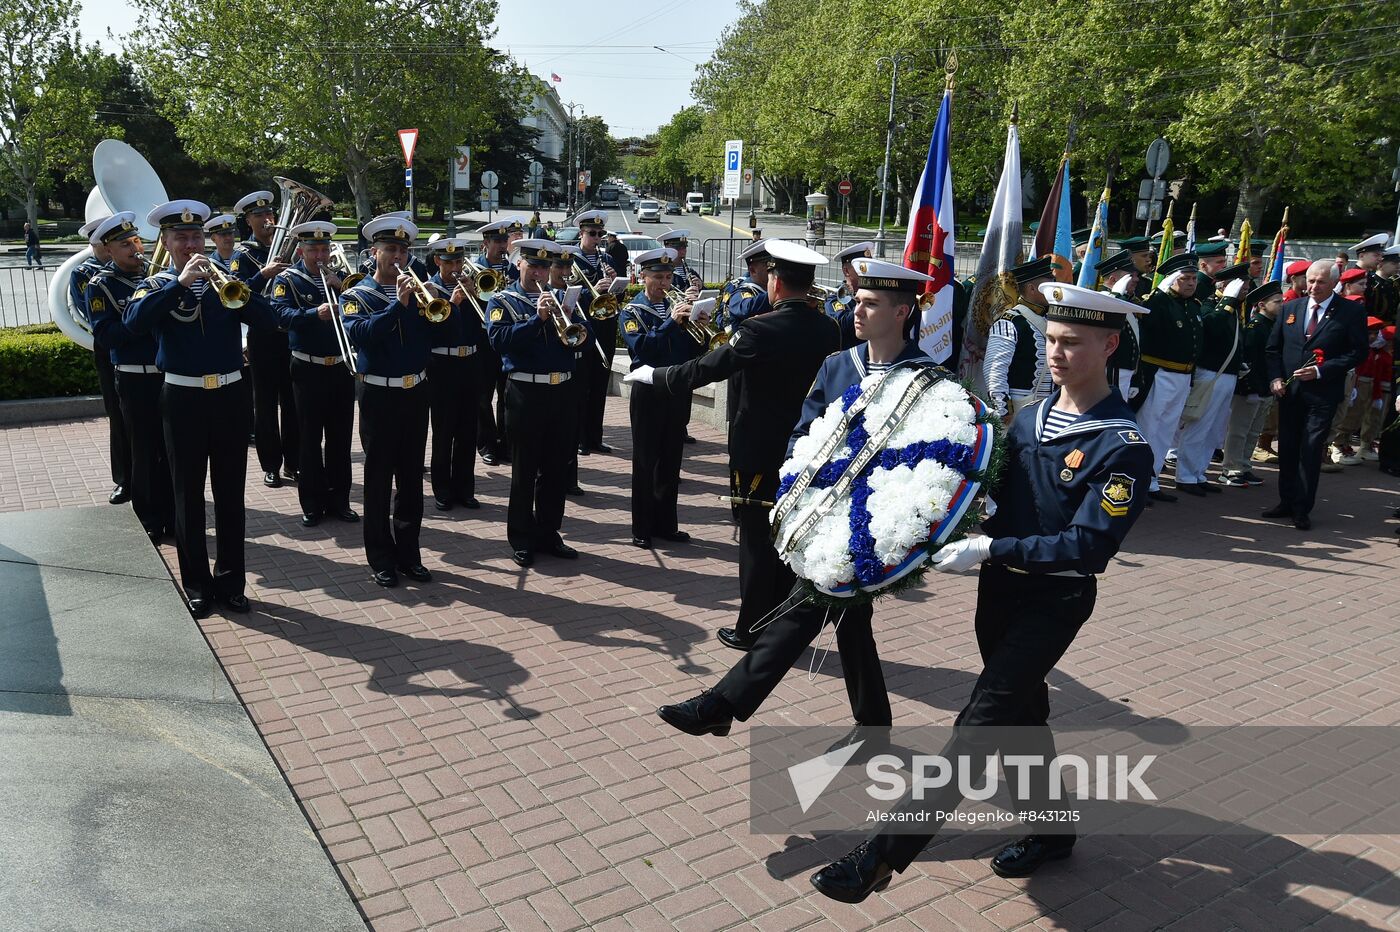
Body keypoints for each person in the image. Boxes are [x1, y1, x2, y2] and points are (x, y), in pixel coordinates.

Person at [809, 281, 1155, 903]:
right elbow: (997, 500)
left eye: (1073, 343)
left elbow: (1087, 548)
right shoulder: (1031, 419)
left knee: (979, 723)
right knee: (1024, 717)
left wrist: (993, 547)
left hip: (1055, 600)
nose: (1056, 354)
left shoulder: (1120, 446)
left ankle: (882, 856)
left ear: (1109, 346)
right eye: (1050, 339)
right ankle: (1053, 832)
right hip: (997, 594)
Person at [652, 258, 936, 742]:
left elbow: (927, 460)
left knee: (808, 607)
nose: (858, 311)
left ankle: (721, 704)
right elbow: (804, 436)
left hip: (873, 524)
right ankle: (873, 728)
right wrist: (798, 492)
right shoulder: (838, 364)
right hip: (825, 515)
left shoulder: (925, 380)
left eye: (870, 304)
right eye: (859, 301)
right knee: (849, 619)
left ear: (903, 312)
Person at [623, 241, 842, 651]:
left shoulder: (761, 329)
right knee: (793, 537)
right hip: (811, 448)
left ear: (775, 281)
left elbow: (708, 367)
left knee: (757, 541)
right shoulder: (829, 328)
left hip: (760, 450)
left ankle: (751, 628)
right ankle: (782, 622)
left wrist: (658, 377)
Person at [124, 199, 281, 618]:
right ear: (167, 241)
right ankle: (196, 584)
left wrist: (236, 289)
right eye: (182, 237)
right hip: (183, 398)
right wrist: (179, 284)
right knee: (187, 495)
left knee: (231, 495)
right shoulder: (155, 285)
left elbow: (266, 320)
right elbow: (133, 323)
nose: (191, 243)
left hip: (229, 395)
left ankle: (231, 582)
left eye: (197, 236)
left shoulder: (227, 279)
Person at [339, 214, 438, 587]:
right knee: (379, 477)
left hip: (415, 390)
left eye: (403, 250)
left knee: (411, 477)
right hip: (378, 392)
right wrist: (398, 305)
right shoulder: (356, 295)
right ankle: (380, 557)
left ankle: (409, 554)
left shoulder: (420, 291)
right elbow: (361, 335)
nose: (398, 256)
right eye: (390, 249)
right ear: (373, 252)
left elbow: (443, 330)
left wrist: (452, 304)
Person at [486, 238, 591, 568]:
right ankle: (520, 536)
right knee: (525, 469)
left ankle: (548, 532)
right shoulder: (503, 300)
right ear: (519, 265)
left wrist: (572, 318)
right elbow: (499, 340)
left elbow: (585, 340)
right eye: (533, 266)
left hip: (561, 392)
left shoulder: (564, 298)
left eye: (545, 267)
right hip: (525, 393)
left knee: (556, 468)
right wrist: (537, 320)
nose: (539, 272)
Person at [85, 212, 173, 543]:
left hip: (167, 375)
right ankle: (148, 518)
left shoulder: (158, 278)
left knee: (171, 450)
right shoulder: (101, 285)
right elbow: (107, 336)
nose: (135, 249)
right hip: (135, 378)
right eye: (125, 245)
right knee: (144, 450)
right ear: (108, 250)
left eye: (136, 241)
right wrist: (143, 319)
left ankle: (172, 515)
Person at [1263, 260, 1368, 530]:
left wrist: (1321, 371)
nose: (1313, 287)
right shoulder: (1291, 308)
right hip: (1290, 393)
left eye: (1320, 282)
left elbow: (1357, 352)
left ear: (1334, 283)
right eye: (1310, 281)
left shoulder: (1351, 312)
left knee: (1310, 450)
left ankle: (1302, 507)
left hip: (1322, 395)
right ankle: (1285, 500)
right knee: (1286, 448)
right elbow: (1273, 349)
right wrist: (1275, 378)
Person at [269, 221, 360, 528]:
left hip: (340, 366)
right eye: (314, 250)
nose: (320, 256)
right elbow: (279, 316)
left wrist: (340, 286)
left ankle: (340, 500)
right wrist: (313, 313)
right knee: (309, 439)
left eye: (324, 249)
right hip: (307, 367)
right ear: (301, 250)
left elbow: (362, 308)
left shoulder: (342, 279)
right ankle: (312, 503)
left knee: (339, 438)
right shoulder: (288, 280)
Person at [620, 248, 702, 547]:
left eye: (668, 277)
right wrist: (671, 323)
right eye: (657, 277)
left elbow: (692, 352)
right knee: (645, 461)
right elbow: (641, 349)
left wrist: (699, 325)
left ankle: (666, 524)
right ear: (642, 277)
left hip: (676, 388)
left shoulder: (678, 309)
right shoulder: (633, 311)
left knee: (671, 458)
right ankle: (642, 528)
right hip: (648, 390)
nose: (664, 284)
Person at [230, 190, 298, 489]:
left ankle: (295, 462)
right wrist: (264, 275)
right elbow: (234, 294)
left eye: (270, 214)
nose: (267, 219)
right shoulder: (242, 255)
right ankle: (270, 465)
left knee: (293, 403)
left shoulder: (291, 251)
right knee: (266, 405)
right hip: (263, 337)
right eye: (259, 216)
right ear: (248, 221)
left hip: (291, 336)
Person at [1173, 265, 1250, 494]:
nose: (1245, 290)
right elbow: (1211, 329)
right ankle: (1185, 476)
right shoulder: (1208, 305)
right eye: (1241, 286)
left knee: (1214, 430)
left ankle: (1198, 472)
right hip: (1210, 375)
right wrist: (1227, 302)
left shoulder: (1234, 309)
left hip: (1228, 375)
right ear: (1225, 286)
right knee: (1199, 426)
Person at [1133, 252, 1202, 502]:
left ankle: (1152, 480)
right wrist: (1160, 294)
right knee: (1150, 429)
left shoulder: (1192, 306)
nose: (1191, 283)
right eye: (1185, 278)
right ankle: (1138, 481)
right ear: (1172, 279)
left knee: (1166, 430)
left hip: (1182, 376)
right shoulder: (1158, 302)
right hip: (1159, 375)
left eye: (1194, 278)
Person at [73, 216, 131, 506]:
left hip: (139, 355)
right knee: (118, 416)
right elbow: (92, 316)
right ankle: (124, 479)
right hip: (108, 352)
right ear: (98, 244)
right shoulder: (84, 275)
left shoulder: (136, 270)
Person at [424, 237, 484, 512]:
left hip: (470, 362)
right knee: (444, 429)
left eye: (459, 261)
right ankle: (442, 489)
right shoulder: (429, 290)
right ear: (438, 261)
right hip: (442, 365)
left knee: (467, 429)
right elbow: (435, 331)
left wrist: (476, 297)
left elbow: (486, 325)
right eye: (450, 262)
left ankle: (465, 488)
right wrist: (455, 303)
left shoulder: (470, 287)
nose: (456, 267)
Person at [1219, 280, 1283, 486]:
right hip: (1251, 389)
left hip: (1265, 388)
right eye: (1277, 301)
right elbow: (1248, 361)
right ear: (1262, 305)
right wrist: (1251, 388)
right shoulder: (1256, 328)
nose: (1282, 305)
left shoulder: (1273, 326)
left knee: (1254, 431)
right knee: (1239, 430)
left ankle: (1244, 466)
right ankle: (1230, 468)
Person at [572, 210, 625, 456]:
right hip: (584, 325)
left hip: (605, 326)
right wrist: (592, 289)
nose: (596, 238)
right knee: (582, 384)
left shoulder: (608, 261)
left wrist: (615, 286)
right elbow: (568, 294)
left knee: (600, 383)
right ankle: (581, 438)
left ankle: (595, 436)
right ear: (581, 233)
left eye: (600, 234)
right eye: (592, 233)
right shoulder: (572, 260)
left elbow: (619, 296)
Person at [983, 256, 1056, 424]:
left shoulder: (1049, 317)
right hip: (1019, 409)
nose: (1054, 287)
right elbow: (994, 370)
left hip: (1046, 408)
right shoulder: (1010, 322)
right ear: (1032, 288)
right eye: (1048, 283)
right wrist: (1003, 409)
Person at [474, 218, 516, 466]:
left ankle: (505, 442)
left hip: (506, 340)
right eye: (498, 241)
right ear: (485, 243)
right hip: (483, 341)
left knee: (506, 395)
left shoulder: (510, 269)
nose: (503, 246)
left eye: (505, 240)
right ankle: (485, 443)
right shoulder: (475, 270)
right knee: (483, 396)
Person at [1096, 249, 1141, 401]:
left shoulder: (1124, 302)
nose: (1136, 279)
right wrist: (1116, 296)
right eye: (1130, 276)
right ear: (1114, 280)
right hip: (1109, 372)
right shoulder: (1102, 301)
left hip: (1124, 373)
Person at [1349, 233, 1397, 324]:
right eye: (1376, 255)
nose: (1380, 259)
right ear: (1362, 256)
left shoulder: (1371, 278)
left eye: (1381, 255)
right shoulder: (1351, 278)